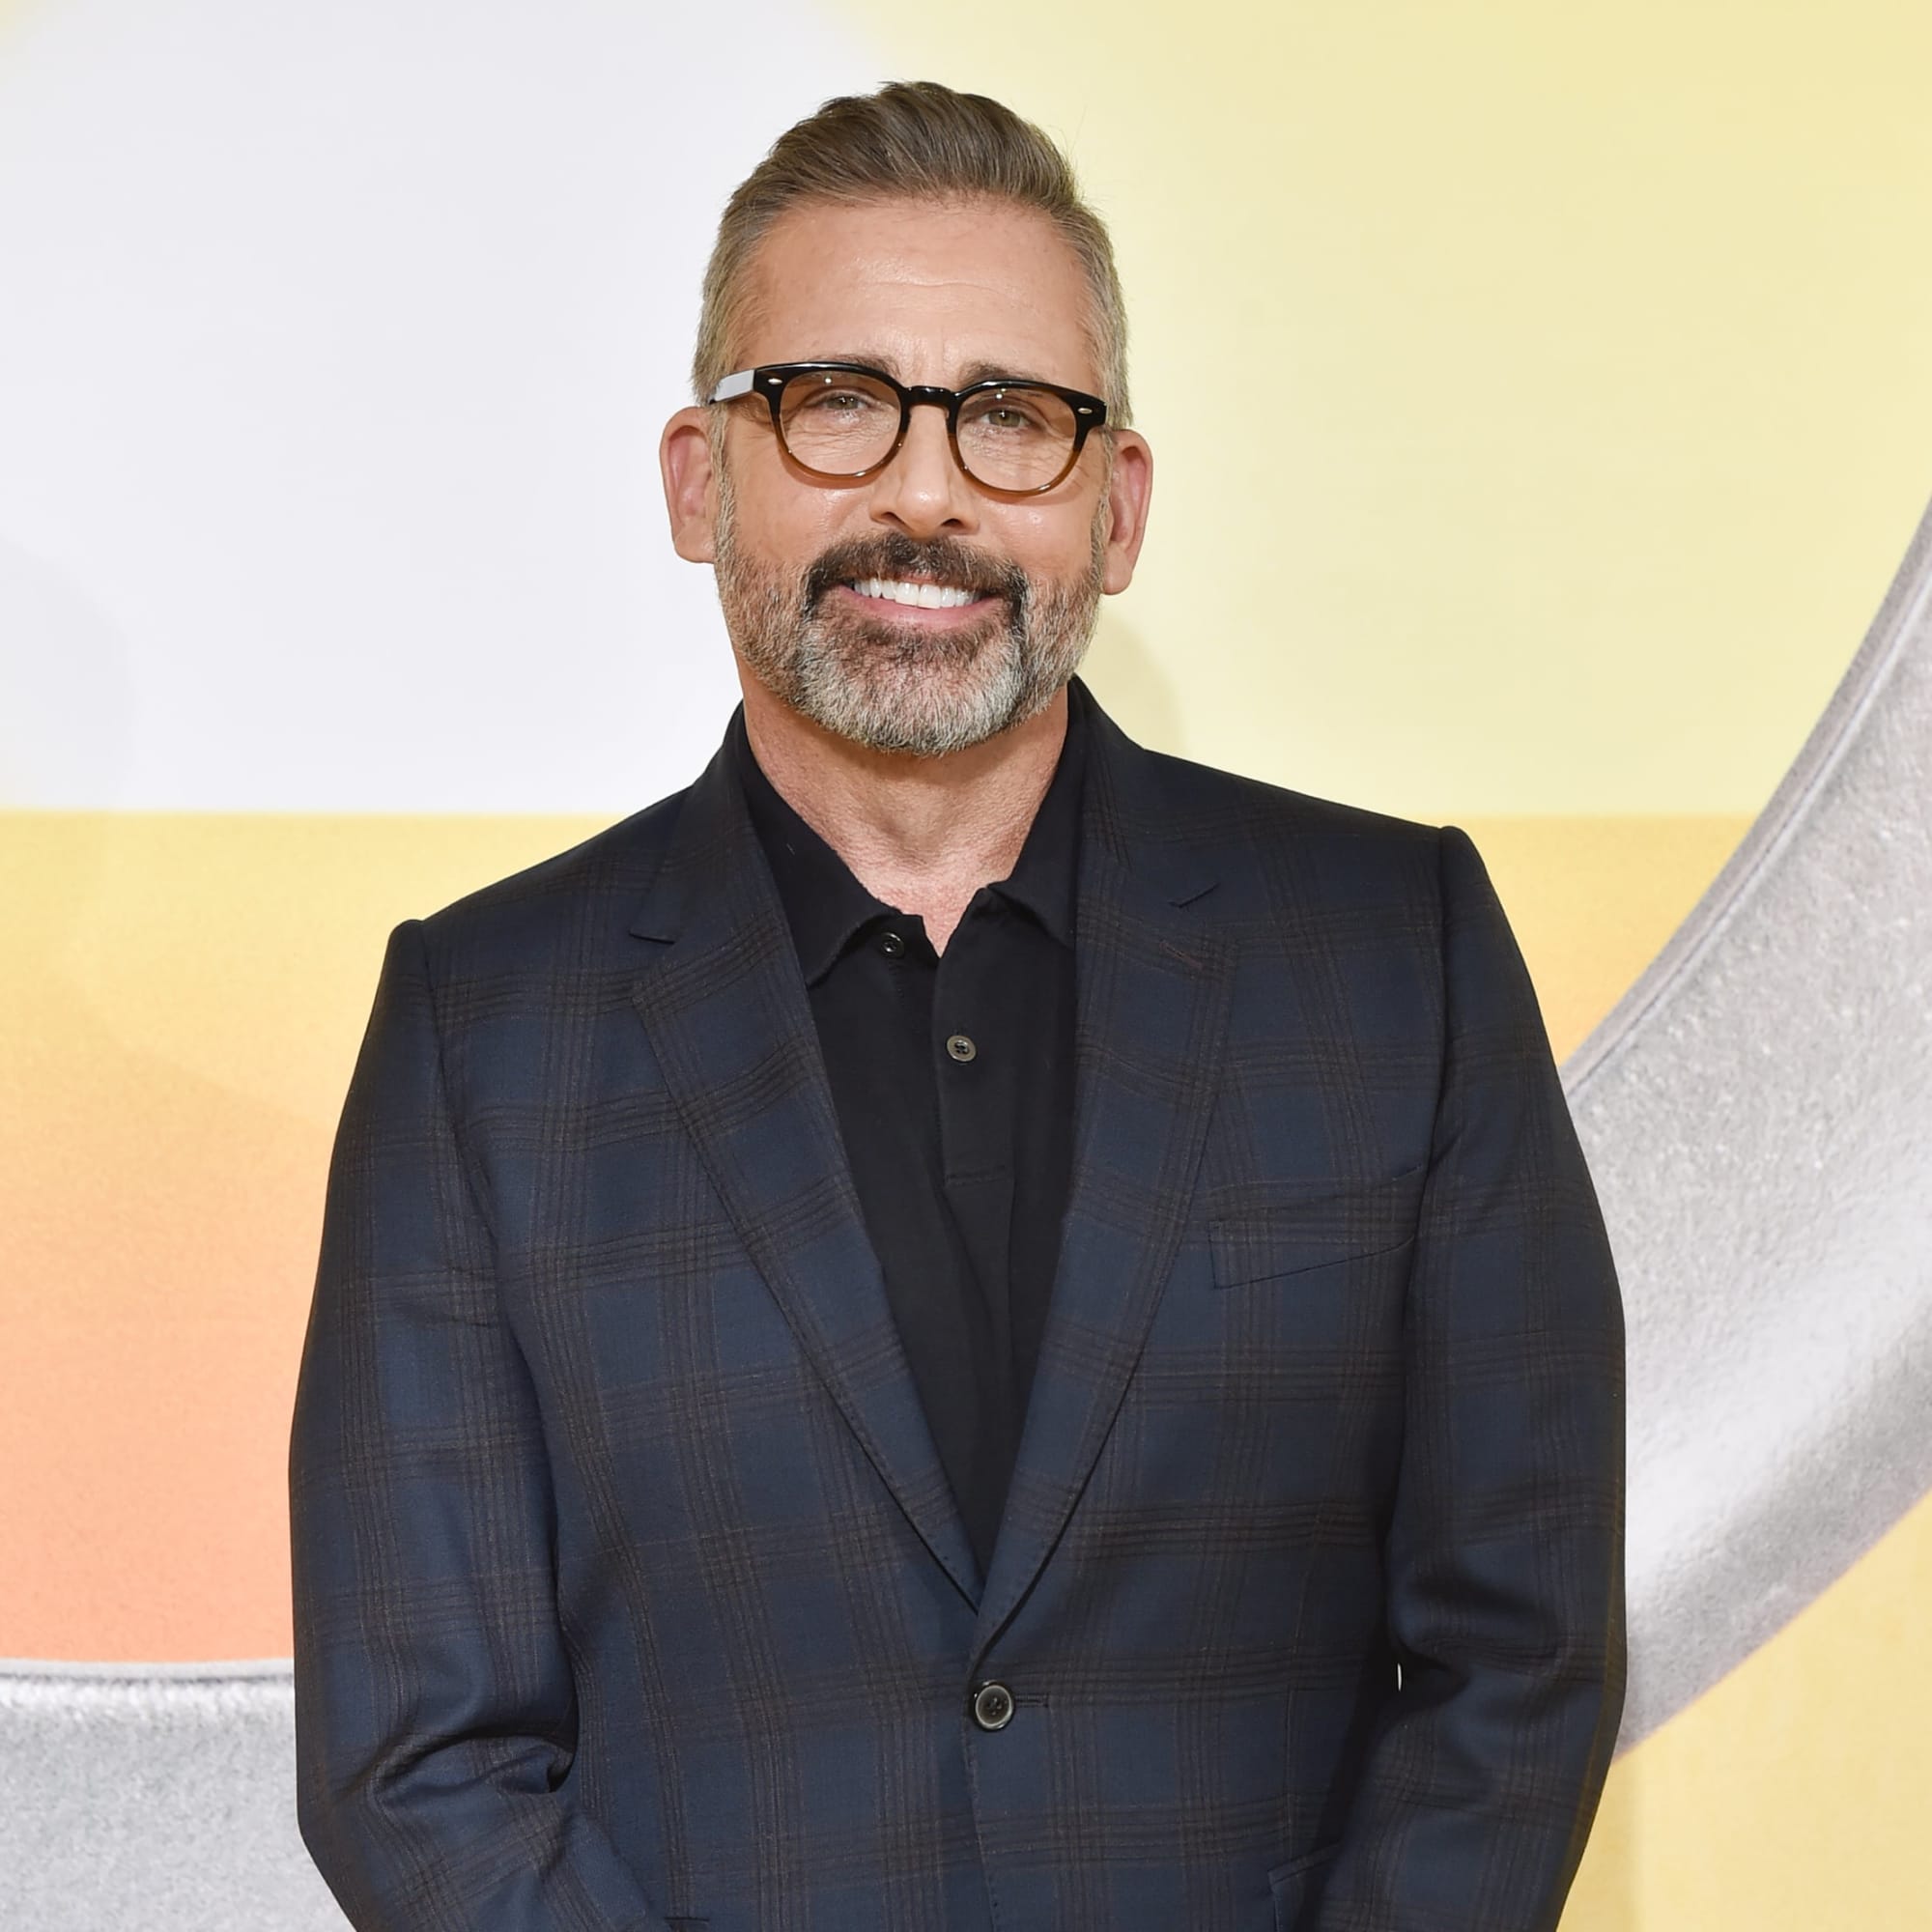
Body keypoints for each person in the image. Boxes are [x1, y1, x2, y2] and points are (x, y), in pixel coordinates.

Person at [290, 80, 1625, 1932]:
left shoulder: (1399, 958)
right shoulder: (483, 1032)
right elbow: (419, 1760)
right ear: (699, 479)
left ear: (1117, 507)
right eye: (835, 400)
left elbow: (1518, 1652)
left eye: (1010, 417)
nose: (924, 493)